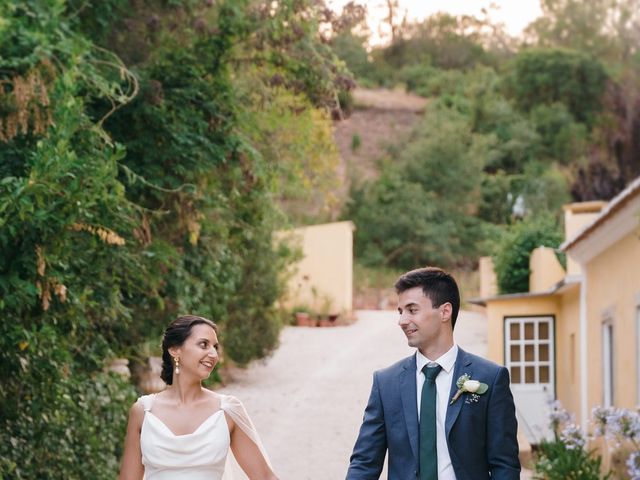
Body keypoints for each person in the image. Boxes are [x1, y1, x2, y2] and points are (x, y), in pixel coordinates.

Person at [346, 267, 520, 480]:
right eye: (400, 312)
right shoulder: (386, 383)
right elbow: (364, 463)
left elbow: (505, 465)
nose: (402, 321)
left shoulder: (491, 378)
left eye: (412, 310)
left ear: (445, 311)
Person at [119, 315, 278, 480]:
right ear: (175, 350)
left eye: (215, 347)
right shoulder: (143, 411)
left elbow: (265, 476)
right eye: (204, 345)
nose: (214, 354)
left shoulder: (227, 410)